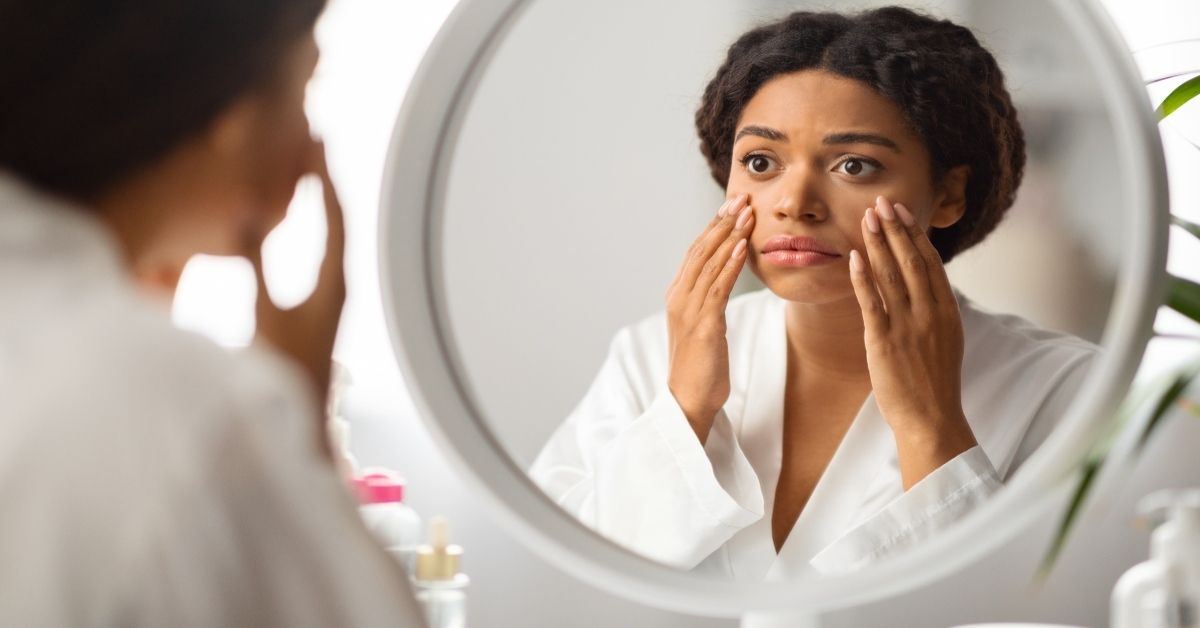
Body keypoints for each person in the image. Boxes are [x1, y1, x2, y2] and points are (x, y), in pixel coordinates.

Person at [530, 7, 1099, 580]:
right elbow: (550, 582)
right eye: (760, 162)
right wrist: (685, 408)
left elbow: (1033, 603)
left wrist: (931, 426)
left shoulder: (1067, 389)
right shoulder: (647, 358)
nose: (794, 202)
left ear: (949, 194)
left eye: (854, 164)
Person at [0, 0, 424, 625]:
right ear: (238, 117)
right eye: (307, 83)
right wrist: (300, 435)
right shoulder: (190, 414)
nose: (310, 140)